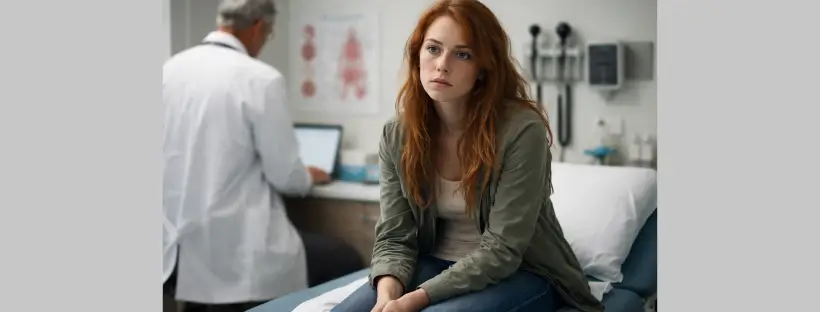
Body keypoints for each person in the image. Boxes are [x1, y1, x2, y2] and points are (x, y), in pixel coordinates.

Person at [331, 1, 605, 312]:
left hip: (520, 272)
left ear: (483, 70)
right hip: (434, 262)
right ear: (417, 55)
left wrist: (414, 300)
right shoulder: (397, 134)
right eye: (433, 49)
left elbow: (502, 250)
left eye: (463, 54)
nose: (442, 64)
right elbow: (395, 238)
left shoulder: (521, 131)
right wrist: (387, 298)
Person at [162, 0, 362, 311]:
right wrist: (311, 174)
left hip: (177, 252)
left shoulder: (170, 69)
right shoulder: (260, 79)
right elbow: (287, 177)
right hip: (234, 254)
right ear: (258, 26)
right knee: (346, 260)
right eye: (268, 35)